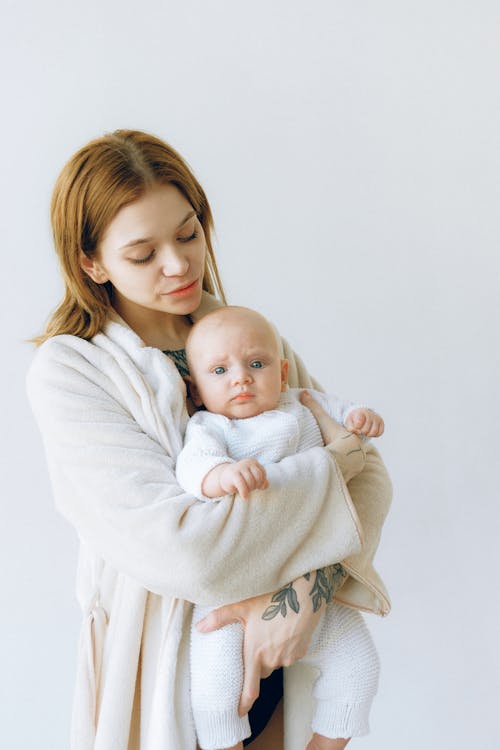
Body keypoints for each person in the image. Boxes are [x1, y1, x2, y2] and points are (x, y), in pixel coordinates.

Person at [26, 129, 392, 750]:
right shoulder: (72, 373)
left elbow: (373, 480)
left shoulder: (239, 338)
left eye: (189, 233)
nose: (178, 264)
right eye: (143, 254)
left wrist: (304, 595)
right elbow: (185, 553)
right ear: (91, 262)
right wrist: (327, 477)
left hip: (290, 647)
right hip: (171, 658)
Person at [175, 305, 384, 750]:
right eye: (220, 370)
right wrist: (221, 476)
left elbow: (350, 430)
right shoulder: (210, 427)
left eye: (256, 364)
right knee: (215, 693)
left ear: (283, 371)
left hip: (308, 576)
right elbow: (193, 468)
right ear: (195, 389)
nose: (241, 378)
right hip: (234, 590)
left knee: (359, 668)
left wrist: (361, 419)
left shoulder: (303, 403)